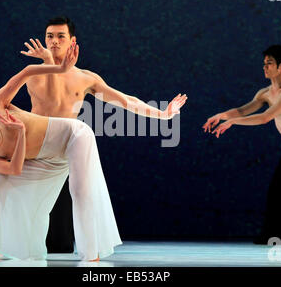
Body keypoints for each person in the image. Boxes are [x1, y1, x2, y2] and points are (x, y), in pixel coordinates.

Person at [0, 43, 186, 261]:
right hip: (46, 160)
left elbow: (25, 73)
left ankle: (91, 255)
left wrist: (57, 68)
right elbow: (14, 169)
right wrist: (22, 133)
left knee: (79, 190)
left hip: (73, 136)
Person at [20, 16, 188, 253]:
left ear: (72, 41)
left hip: (65, 149)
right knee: (11, 192)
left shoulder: (86, 77)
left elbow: (125, 100)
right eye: (50, 36)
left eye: (60, 36)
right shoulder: (33, 72)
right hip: (37, 146)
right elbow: (53, 95)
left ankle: (90, 249)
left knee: (73, 215)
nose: (54, 41)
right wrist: (49, 62)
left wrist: (163, 114)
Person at [202, 45, 281, 245]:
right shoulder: (265, 93)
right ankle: (280, 236)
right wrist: (221, 115)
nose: (265, 68)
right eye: (264, 64)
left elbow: (265, 118)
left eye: (269, 64)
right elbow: (243, 110)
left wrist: (232, 123)